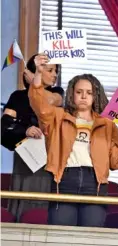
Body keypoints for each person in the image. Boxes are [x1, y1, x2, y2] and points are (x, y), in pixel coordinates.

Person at [28, 54, 118, 227]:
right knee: (60, 237)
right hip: (64, 181)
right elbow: (39, 105)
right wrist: (39, 73)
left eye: (89, 92)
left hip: (95, 185)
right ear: (72, 94)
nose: (84, 96)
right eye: (79, 92)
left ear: (95, 96)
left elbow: (115, 161)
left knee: (90, 239)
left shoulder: (107, 124)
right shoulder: (58, 117)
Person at [1, 54, 64, 221]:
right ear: (37, 70)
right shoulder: (17, 97)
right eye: (50, 70)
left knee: (45, 210)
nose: (55, 74)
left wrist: (34, 84)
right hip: (25, 157)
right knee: (23, 208)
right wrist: (25, 130)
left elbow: (50, 101)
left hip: (50, 158)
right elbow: (5, 126)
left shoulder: (57, 92)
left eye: (56, 71)